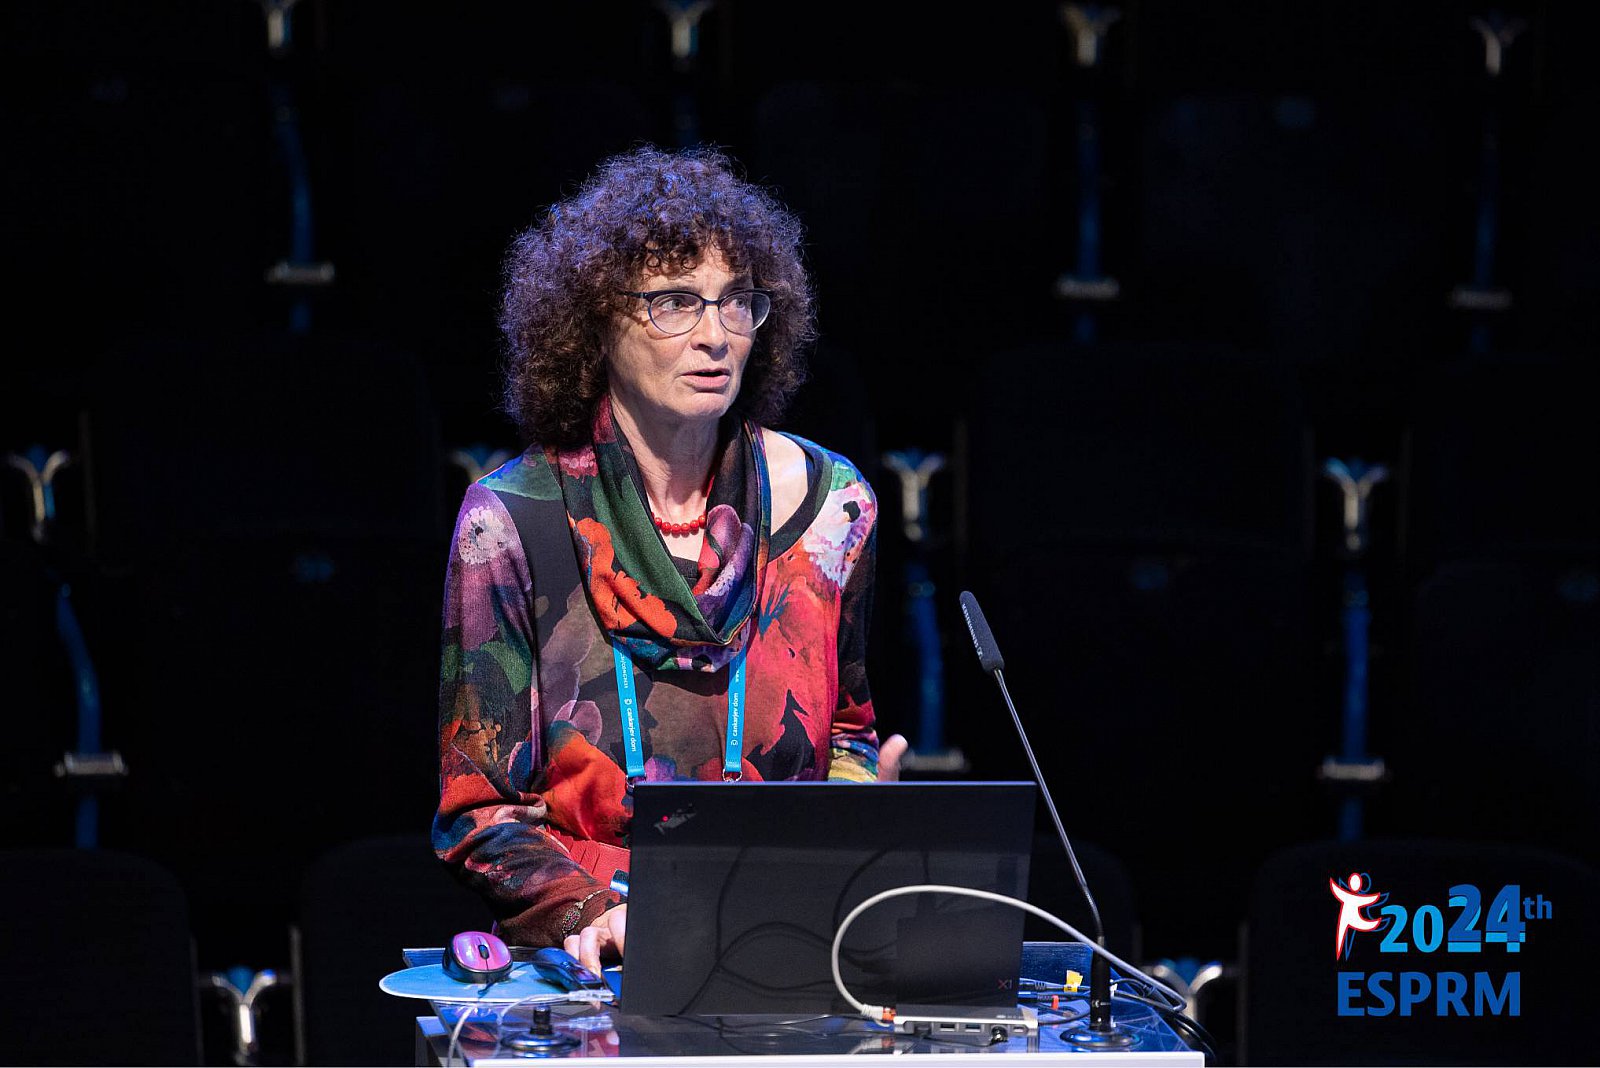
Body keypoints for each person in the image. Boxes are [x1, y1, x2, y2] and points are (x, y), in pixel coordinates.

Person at [434, 145, 907, 975]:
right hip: (603, 963)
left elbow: (846, 735)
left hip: (787, 943)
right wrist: (596, 913)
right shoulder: (509, 523)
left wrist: (858, 809)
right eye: (675, 303)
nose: (715, 336)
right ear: (593, 322)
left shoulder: (834, 508)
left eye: (737, 302)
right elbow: (480, 813)